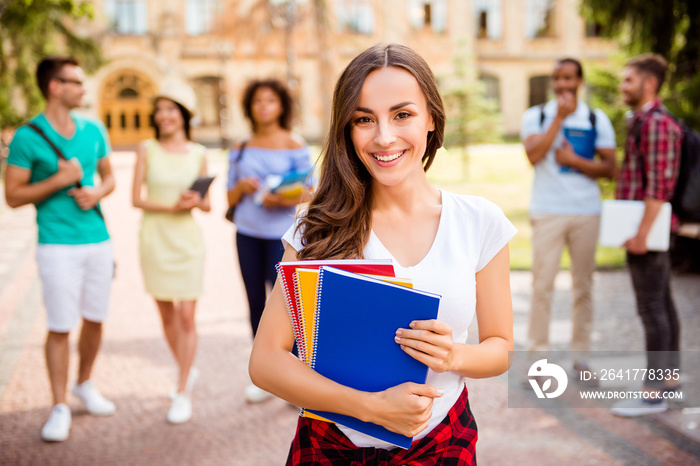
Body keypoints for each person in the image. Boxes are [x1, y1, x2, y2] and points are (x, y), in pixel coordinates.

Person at [249, 43, 517, 464]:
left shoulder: (479, 221)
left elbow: (502, 348)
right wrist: (370, 408)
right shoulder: (315, 227)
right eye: (364, 119)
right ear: (346, 129)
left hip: (441, 443)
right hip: (330, 445)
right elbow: (265, 362)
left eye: (402, 114)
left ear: (431, 117)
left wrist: (454, 356)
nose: (384, 137)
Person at [4, 56, 116, 442]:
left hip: (98, 239)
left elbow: (109, 176)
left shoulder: (94, 128)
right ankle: (58, 405)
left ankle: (84, 382)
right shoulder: (26, 136)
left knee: (96, 318)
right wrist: (59, 180)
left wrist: (96, 191)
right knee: (59, 325)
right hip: (56, 245)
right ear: (55, 86)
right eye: (77, 82)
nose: (84, 89)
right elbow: (13, 196)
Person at [520, 58, 616, 377]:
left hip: (586, 212)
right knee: (542, 285)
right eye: (557, 78)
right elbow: (534, 156)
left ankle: (581, 356)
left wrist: (574, 160)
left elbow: (609, 168)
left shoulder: (595, 118)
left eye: (569, 78)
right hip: (548, 210)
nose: (563, 84)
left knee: (583, 286)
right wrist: (558, 119)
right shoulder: (537, 116)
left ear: (579, 82)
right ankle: (537, 359)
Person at [226, 78, 313, 403]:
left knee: (289, 306)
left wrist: (283, 198)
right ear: (249, 107)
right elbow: (228, 193)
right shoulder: (240, 147)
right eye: (257, 101)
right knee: (254, 302)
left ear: (281, 106)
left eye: (270, 100)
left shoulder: (294, 144)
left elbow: (311, 190)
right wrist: (243, 189)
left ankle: (293, 376)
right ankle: (262, 373)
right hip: (247, 234)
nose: (263, 106)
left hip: (284, 239)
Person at [131, 78, 210, 424]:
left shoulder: (199, 153)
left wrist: (194, 201)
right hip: (154, 238)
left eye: (171, 109)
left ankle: (182, 391)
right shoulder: (145, 148)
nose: (164, 115)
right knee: (166, 316)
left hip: (187, 243)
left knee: (187, 317)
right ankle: (185, 368)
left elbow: (206, 206)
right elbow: (136, 198)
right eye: (160, 110)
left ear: (183, 115)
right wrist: (172, 208)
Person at [611, 54, 682, 417]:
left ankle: (654, 392)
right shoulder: (643, 120)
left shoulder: (655, 123)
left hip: (647, 235)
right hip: (645, 232)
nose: (622, 87)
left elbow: (660, 185)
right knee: (662, 306)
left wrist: (640, 234)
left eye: (628, 81)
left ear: (649, 84)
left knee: (653, 309)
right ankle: (668, 382)